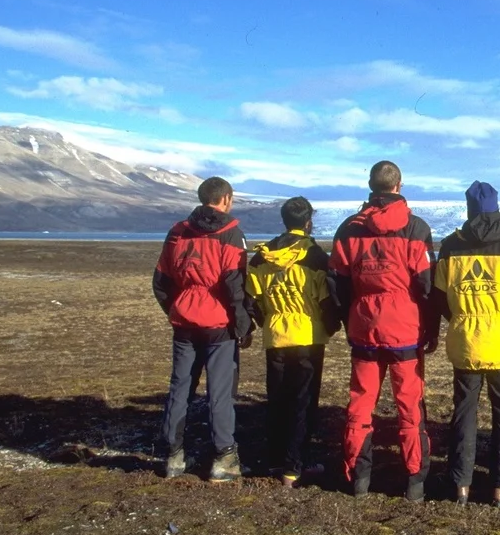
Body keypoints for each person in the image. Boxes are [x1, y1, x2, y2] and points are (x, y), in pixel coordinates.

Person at [328, 161, 434, 501]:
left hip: (364, 327)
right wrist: (429, 326)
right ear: (399, 185)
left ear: (372, 185)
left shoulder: (348, 229)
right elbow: (426, 284)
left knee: (360, 402)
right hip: (405, 327)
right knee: (409, 404)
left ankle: (358, 477)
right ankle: (415, 479)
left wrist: (350, 319)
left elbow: (338, 283)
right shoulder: (415, 228)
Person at [431, 181, 500, 507]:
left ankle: (461, 482)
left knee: (465, 412)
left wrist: (463, 318)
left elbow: (440, 298)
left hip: (465, 341)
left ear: (469, 208)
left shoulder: (450, 247)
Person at [153, 176, 254, 482]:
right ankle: (224, 457)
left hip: (184, 322)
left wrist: (177, 307)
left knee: (180, 387)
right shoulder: (231, 234)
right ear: (226, 199)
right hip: (218, 325)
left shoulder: (177, 233)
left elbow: (161, 281)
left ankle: (172, 456)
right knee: (220, 393)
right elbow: (236, 287)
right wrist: (243, 325)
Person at [246, 196, 341, 488]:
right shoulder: (315, 257)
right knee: (303, 402)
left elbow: (252, 298)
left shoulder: (262, 256)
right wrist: (331, 326)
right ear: (308, 222)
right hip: (308, 338)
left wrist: (268, 321)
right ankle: (294, 465)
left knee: (277, 399)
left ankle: (275, 459)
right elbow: (328, 300)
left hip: (276, 335)